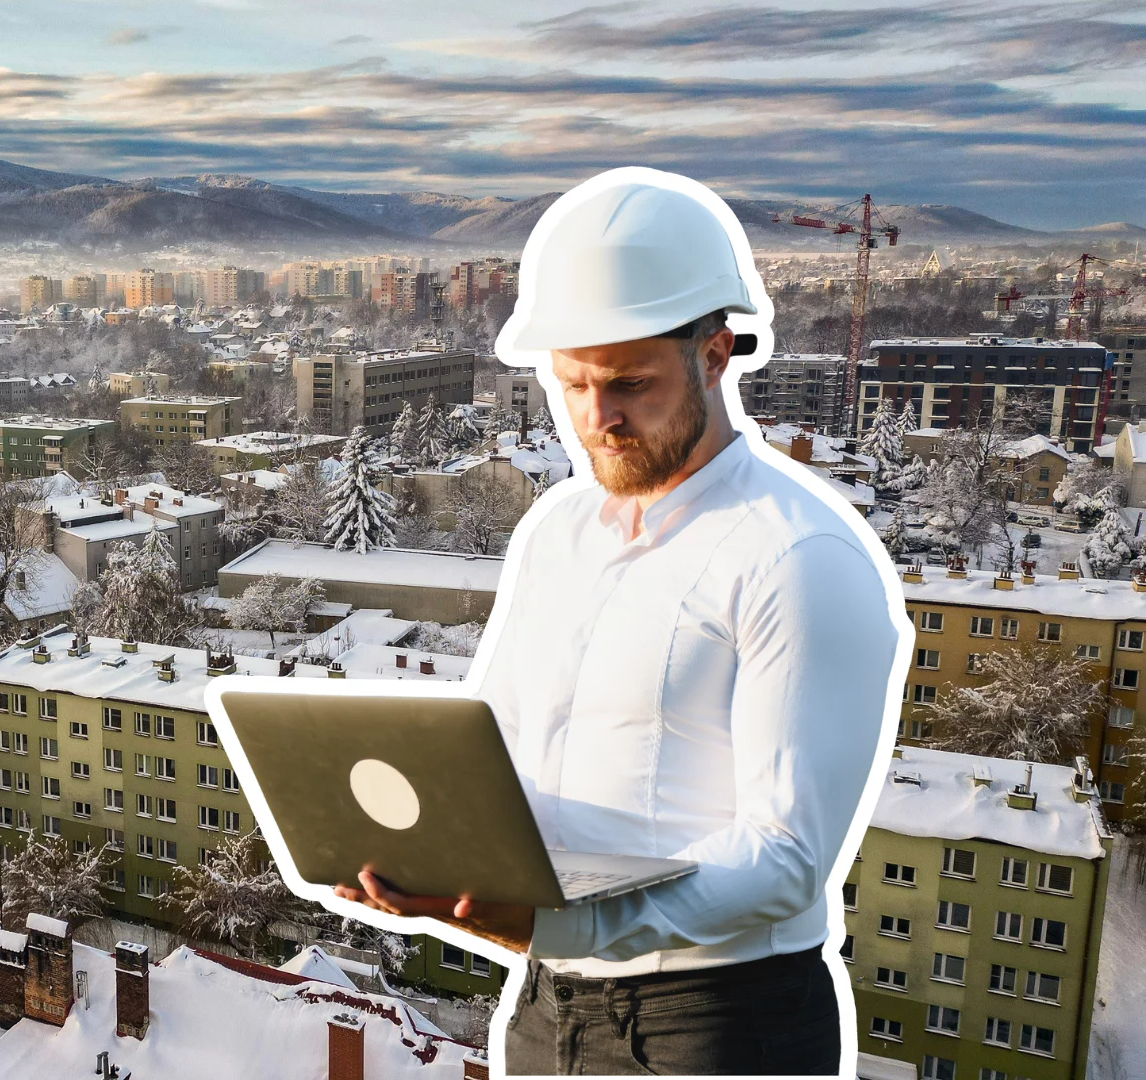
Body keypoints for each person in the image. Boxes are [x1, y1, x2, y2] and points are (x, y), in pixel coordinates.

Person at [333, 171, 904, 1075]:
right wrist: (421, 848)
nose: (598, 419)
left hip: (719, 1024)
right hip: (548, 1004)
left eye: (632, 382)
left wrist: (563, 924)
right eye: (574, 384)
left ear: (715, 355)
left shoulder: (798, 557)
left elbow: (787, 855)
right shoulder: (559, 532)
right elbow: (501, 749)